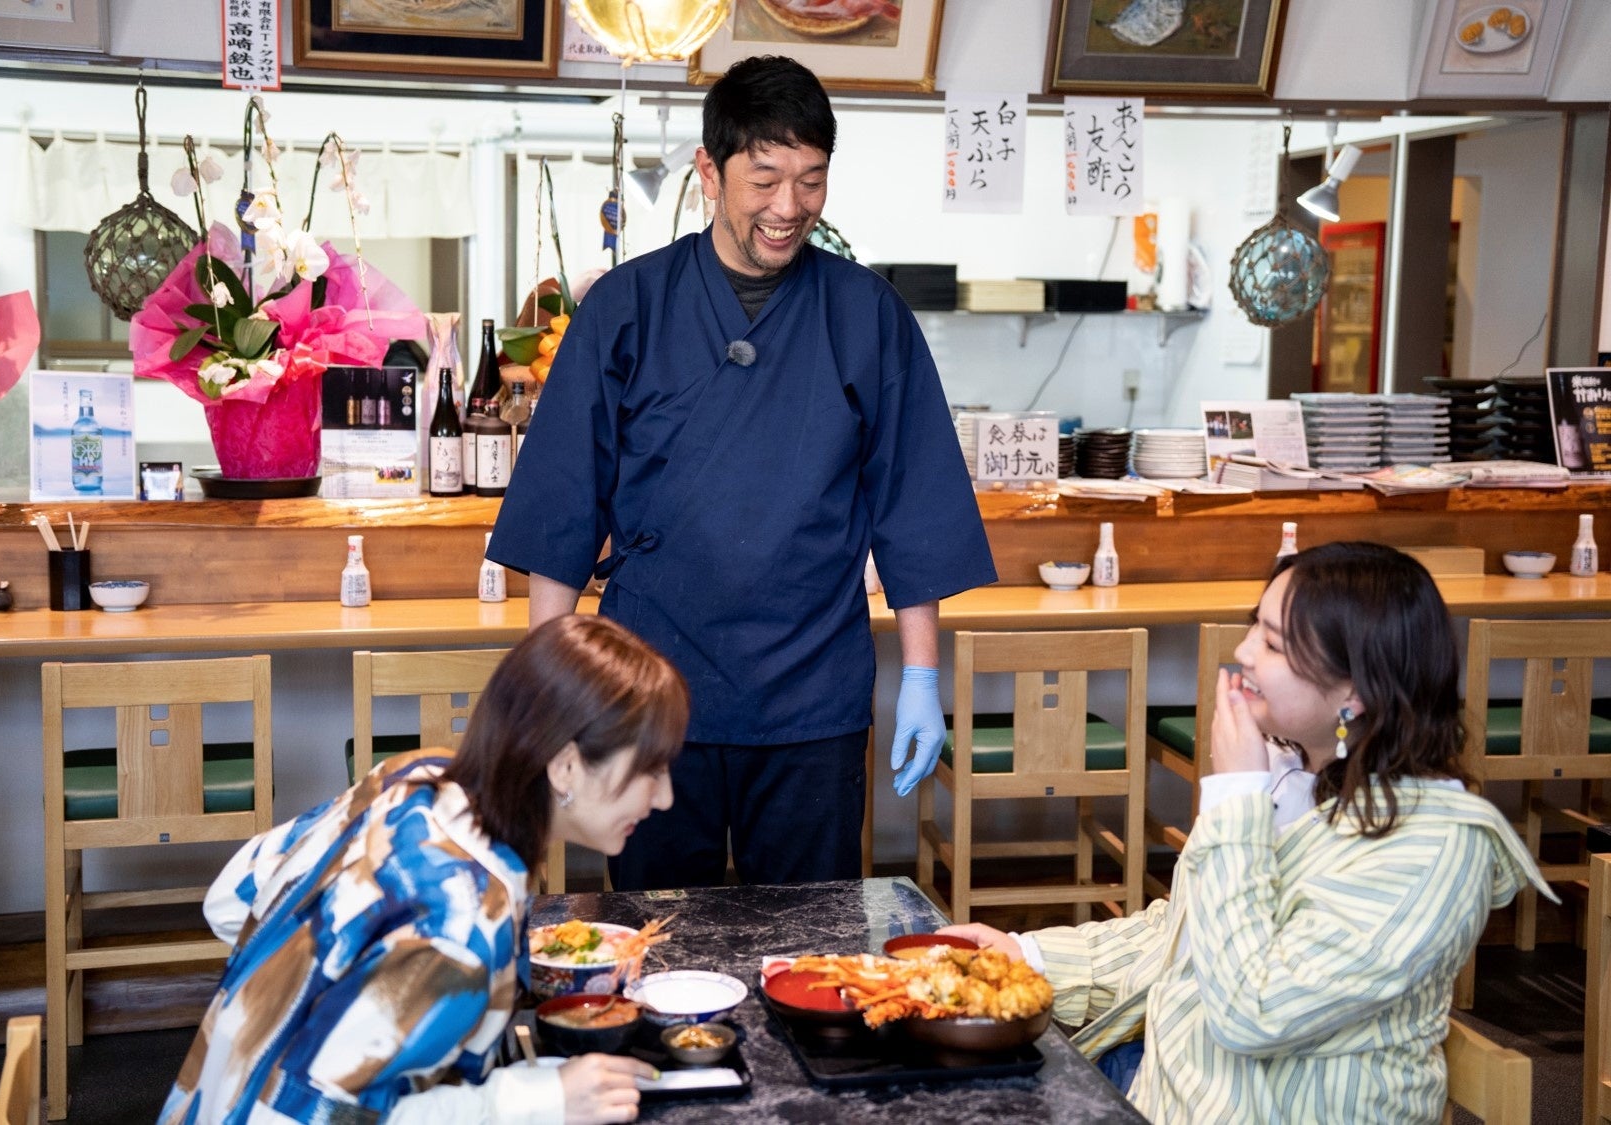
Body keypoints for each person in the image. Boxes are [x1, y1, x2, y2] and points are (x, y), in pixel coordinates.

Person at [487, 55, 995, 891]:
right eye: (764, 179)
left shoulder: (867, 314)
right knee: (656, 938)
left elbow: (914, 506)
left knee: (811, 943)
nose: (788, 208)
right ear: (708, 172)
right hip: (646, 690)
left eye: (811, 180)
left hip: (811, 694)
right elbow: (562, 509)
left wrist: (923, 677)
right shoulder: (626, 307)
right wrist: (553, 696)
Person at [942, 541, 1553, 1124]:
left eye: (1275, 643)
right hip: (1169, 1087)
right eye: (1255, 627)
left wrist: (1234, 799)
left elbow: (1253, 1012)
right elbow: (1187, 934)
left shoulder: (1434, 848)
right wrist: (1029, 955)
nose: (1245, 652)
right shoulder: (1298, 778)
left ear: (1357, 690)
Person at [159, 615, 689, 1125]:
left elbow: (230, 899)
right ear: (567, 766)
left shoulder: (417, 775)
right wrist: (540, 1100)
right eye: (650, 770)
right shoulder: (460, 926)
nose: (665, 798)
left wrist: (310, 996)